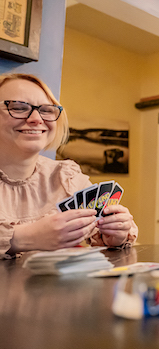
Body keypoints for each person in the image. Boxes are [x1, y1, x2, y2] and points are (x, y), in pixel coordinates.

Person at [0, 73, 138, 258]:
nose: (36, 118)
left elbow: (101, 232)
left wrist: (115, 234)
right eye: (18, 107)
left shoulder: (66, 178)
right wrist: (24, 238)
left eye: (47, 110)